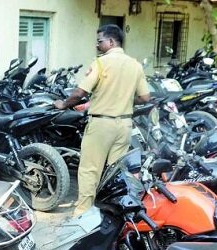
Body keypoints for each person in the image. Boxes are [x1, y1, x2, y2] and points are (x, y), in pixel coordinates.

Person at [54, 24, 151, 216]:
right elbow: (145, 98)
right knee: (116, 171)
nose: (98, 46)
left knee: (90, 169)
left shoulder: (101, 63)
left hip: (101, 125)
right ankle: (114, 213)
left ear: (111, 41)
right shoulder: (135, 65)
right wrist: (123, 98)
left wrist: (63, 105)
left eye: (100, 42)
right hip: (124, 125)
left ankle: (82, 213)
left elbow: (80, 92)